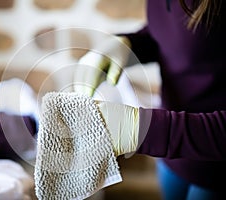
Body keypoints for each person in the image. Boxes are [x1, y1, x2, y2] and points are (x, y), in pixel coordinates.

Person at [73, 0, 226, 199]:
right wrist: (128, 44)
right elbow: (185, 36)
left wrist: (141, 129)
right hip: (173, 155)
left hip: (215, 165)